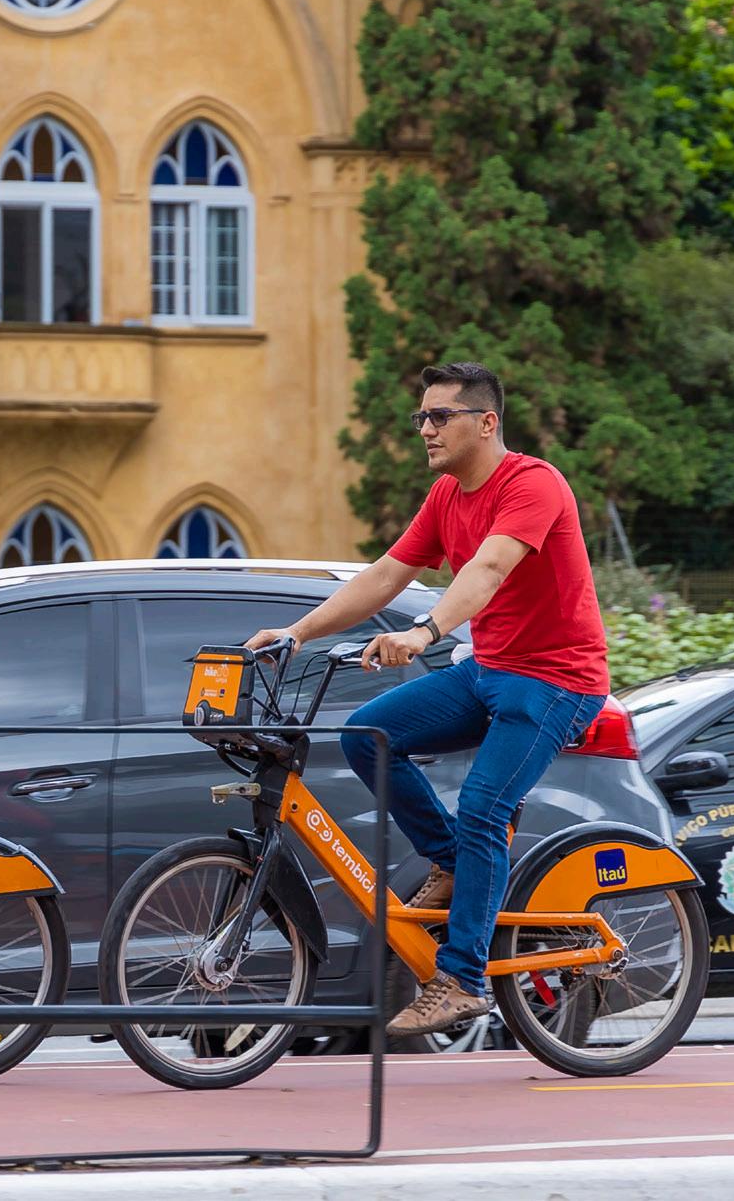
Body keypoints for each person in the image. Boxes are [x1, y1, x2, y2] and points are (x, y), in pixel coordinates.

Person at [246, 362, 607, 1037]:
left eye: (439, 416)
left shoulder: (532, 484)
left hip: (556, 681)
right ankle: (451, 862)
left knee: (483, 807)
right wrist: (296, 633)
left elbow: (489, 568)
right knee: (369, 736)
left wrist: (425, 631)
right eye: (421, 417)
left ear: (486, 422)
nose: (425, 429)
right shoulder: (446, 496)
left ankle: (461, 980)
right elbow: (386, 573)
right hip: (491, 671)